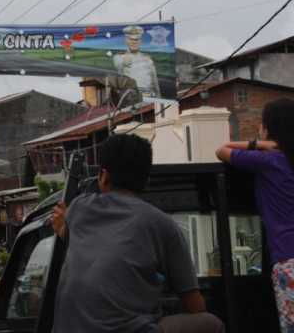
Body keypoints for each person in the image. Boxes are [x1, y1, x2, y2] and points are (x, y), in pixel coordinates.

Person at [51, 134, 223, 333]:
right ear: (146, 180)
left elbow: (69, 234)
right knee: (211, 323)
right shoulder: (161, 224)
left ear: (104, 176)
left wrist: (62, 226)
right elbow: (193, 302)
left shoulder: (80, 207)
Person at [216, 98, 294, 332]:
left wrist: (259, 144)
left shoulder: (269, 160)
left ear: (269, 129)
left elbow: (222, 150)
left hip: (288, 258)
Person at [113, 25, 161, 98]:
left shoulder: (147, 59)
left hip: (149, 98)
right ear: (126, 41)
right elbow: (118, 67)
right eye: (131, 39)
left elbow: (155, 83)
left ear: (140, 41)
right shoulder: (119, 57)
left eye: (137, 39)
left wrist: (159, 99)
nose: (134, 42)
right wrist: (123, 62)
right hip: (131, 98)